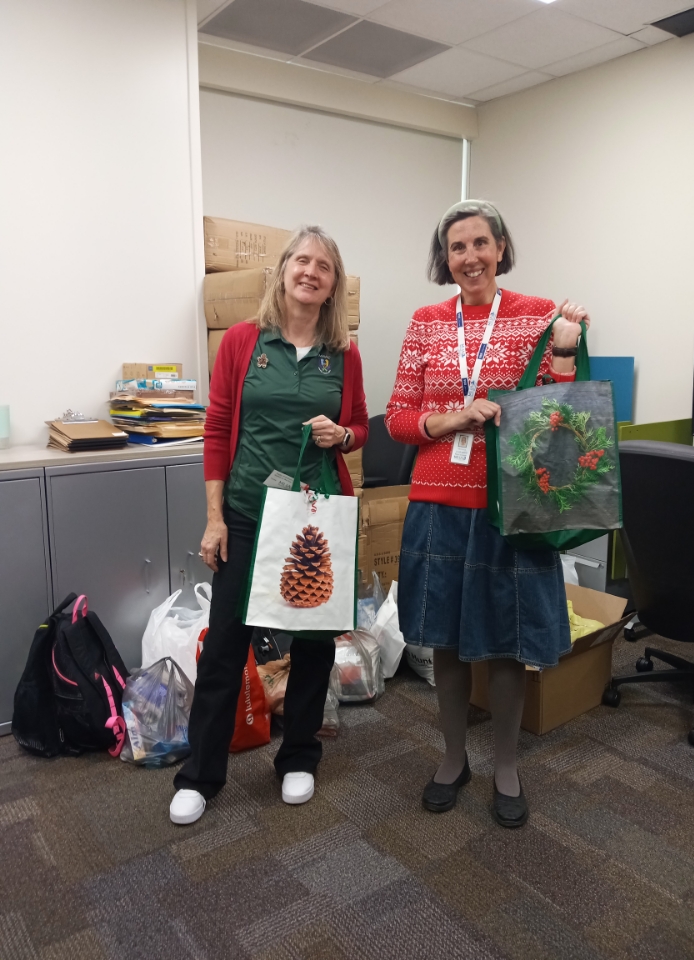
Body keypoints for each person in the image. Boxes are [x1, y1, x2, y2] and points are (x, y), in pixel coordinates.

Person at [385, 199, 591, 828]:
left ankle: (505, 763)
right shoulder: (425, 322)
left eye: (480, 243)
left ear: (501, 247)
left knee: (504, 645)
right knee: (445, 644)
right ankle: (452, 758)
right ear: (443, 260)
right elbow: (398, 419)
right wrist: (456, 417)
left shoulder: (536, 316)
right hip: (438, 504)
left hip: (509, 508)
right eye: (456, 248)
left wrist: (563, 348)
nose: (469, 257)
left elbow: (563, 417)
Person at [170, 225, 368, 825]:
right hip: (250, 515)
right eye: (302, 261)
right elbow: (216, 427)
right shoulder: (242, 342)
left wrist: (345, 436)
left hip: (314, 517)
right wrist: (213, 519)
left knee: (311, 643)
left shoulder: (345, 352)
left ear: (333, 285)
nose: (311, 272)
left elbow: (359, 423)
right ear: (283, 270)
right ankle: (200, 774)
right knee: (227, 643)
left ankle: (299, 757)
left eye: (324, 267)